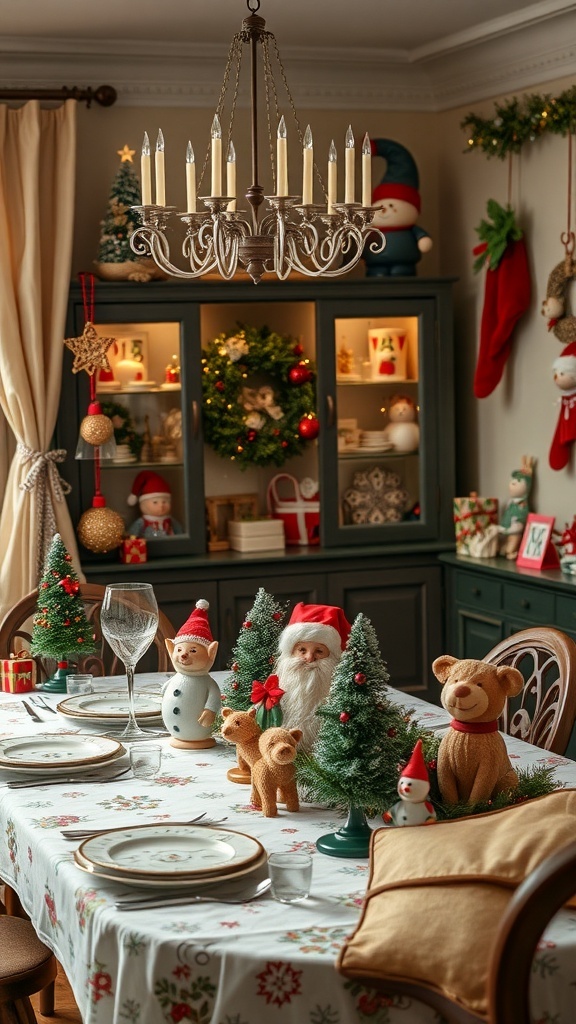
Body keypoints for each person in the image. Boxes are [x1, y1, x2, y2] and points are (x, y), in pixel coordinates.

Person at [275, 602, 351, 751]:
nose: (309, 658)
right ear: (291, 652)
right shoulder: (277, 687)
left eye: (319, 651)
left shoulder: (342, 696)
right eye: (302, 650)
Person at [127, 470, 183, 539]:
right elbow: (132, 534)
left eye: (164, 502)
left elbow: (180, 533)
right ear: (143, 504)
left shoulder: (171, 521)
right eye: (155, 502)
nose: (161, 506)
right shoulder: (142, 522)